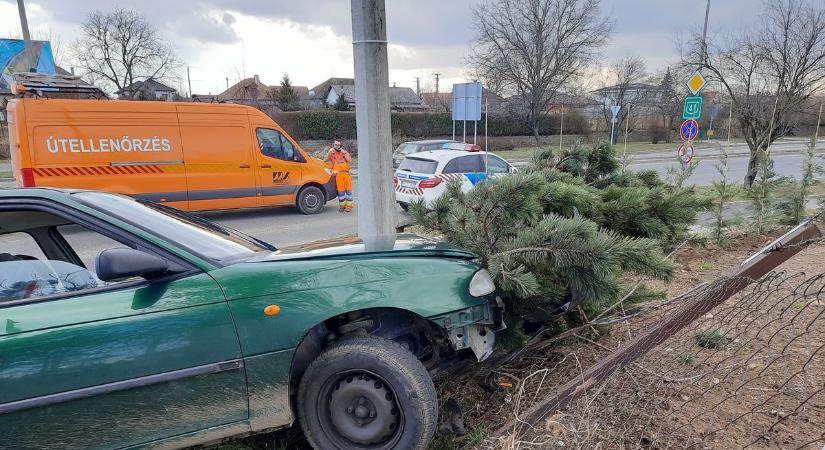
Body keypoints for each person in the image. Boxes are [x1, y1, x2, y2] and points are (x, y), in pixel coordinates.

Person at [326, 140, 353, 212]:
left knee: (348, 191)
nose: (337, 146)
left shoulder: (343, 152)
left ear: (340, 145)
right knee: (341, 192)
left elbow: (349, 160)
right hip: (338, 176)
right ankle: (342, 206)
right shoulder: (331, 153)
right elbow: (326, 160)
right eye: (336, 145)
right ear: (333, 145)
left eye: (338, 145)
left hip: (346, 175)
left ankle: (349, 206)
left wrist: (344, 153)